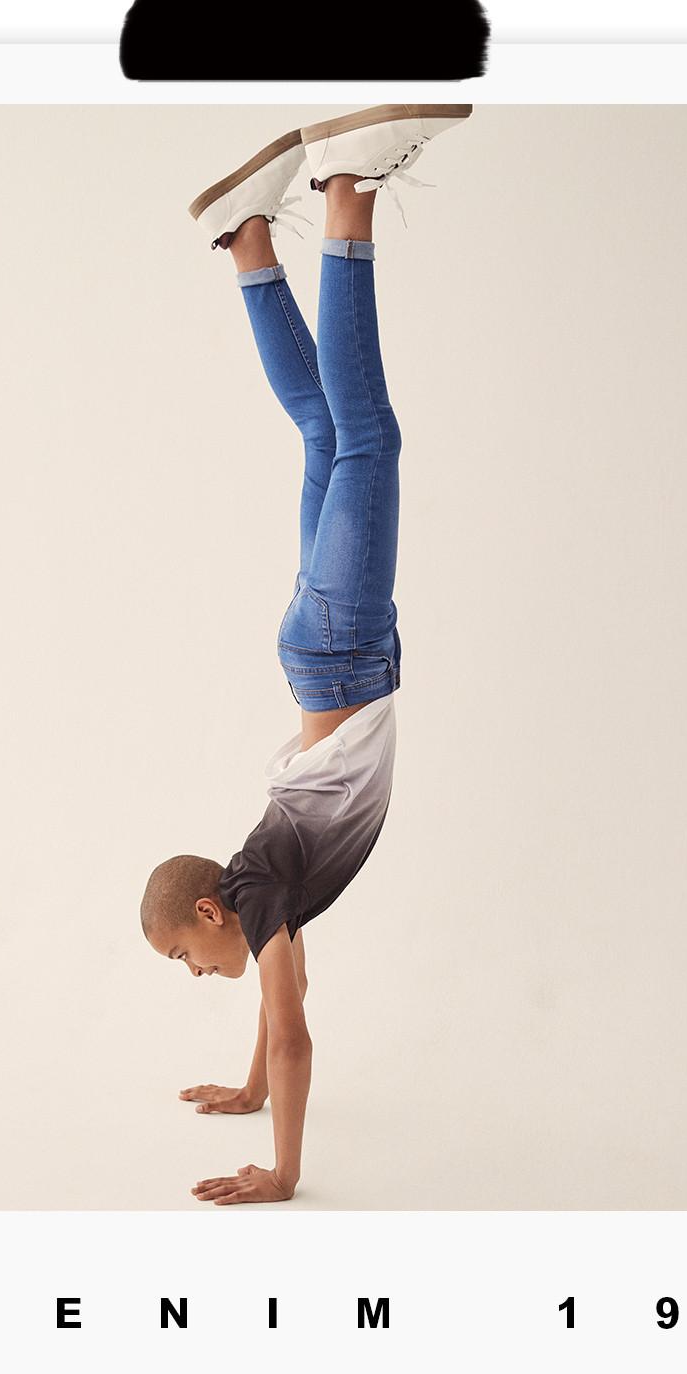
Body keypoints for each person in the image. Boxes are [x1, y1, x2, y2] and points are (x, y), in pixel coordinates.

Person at [140, 105, 472, 1204]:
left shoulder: (265, 897)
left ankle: (346, 197)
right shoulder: (259, 894)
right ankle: (244, 240)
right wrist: (243, 1091)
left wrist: (282, 1171)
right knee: (330, 435)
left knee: (365, 434)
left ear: (209, 917)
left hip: (338, 650)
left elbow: (292, 1035)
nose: (200, 977)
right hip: (317, 651)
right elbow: (279, 1007)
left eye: (188, 960)